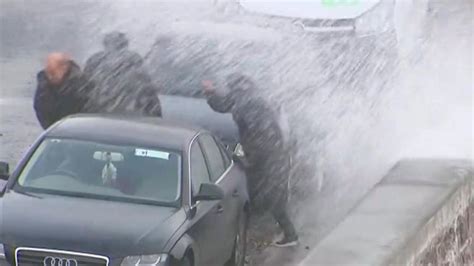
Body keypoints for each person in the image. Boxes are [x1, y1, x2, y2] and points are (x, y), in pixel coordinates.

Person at [202, 74, 299, 247]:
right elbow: (225, 105)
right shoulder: (253, 98)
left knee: (266, 193)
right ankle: (279, 229)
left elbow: (225, 106)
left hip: (266, 154)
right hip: (273, 152)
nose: (228, 91)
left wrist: (247, 159)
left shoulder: (244, 100)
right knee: (267, 192)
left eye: (229, 88)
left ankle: (287, 234)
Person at [83, 31, 162, 116]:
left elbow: (84, 87)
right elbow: (148, 91)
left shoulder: (95, 60)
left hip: (96, 115)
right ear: (126, 45)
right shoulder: (134, 60)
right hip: (126, 117)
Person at [34, 53, 93, 129]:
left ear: (64, 67)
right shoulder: (44, 86)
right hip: (54, 129)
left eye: (53, 72)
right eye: (48, 72)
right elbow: (40, 109)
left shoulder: (81, 85)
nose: (50, 76)